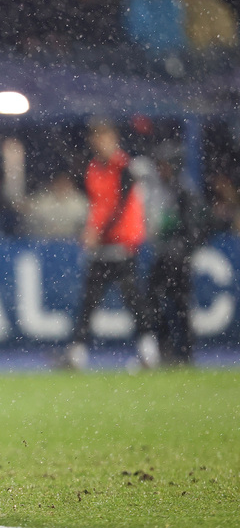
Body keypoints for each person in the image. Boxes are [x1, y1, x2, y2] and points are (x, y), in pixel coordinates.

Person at [62, 119, 159, 371]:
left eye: (104, 138)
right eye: (96, 138)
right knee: (89, 302)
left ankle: (149, 353)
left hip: (122, 244)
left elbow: (119, 206)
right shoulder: (93, 168)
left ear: (113, 139)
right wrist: (91, 231)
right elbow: (98, 205)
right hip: (102, 246)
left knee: (134, 301)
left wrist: (97, 232)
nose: (100, 143)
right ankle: (77, 354)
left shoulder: (126, 168)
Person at [146, 141, 211, 365]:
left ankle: (184, 353)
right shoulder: (166, 188)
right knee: (156, 301)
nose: (159, 169)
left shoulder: (184, 190)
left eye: (163, 165)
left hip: (177, 258)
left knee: (180, 304)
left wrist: (183, 247)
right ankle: (167, 349)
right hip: (165, 255)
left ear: (173, 165)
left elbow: (199, 225)